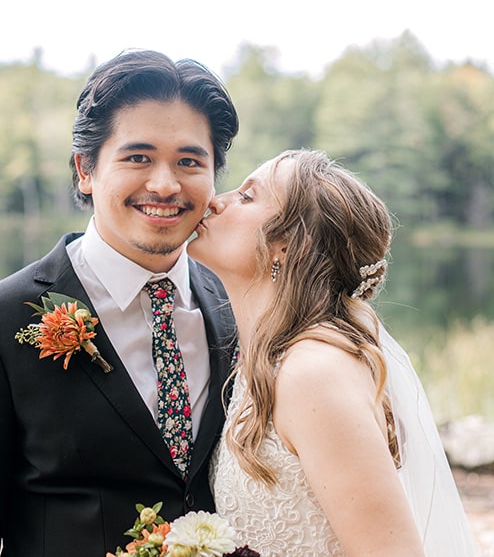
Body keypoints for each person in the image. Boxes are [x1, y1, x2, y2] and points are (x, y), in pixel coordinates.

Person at [0, 50, 240, 556]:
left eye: (189, 161)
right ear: (85, 170)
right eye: (138, 157)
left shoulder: (239, 307)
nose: (165, 183)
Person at [188, 149, 478, 556]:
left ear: (290, 246)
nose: (217, 200)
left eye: (248, 196)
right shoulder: (270, 361)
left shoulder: (313, 374)